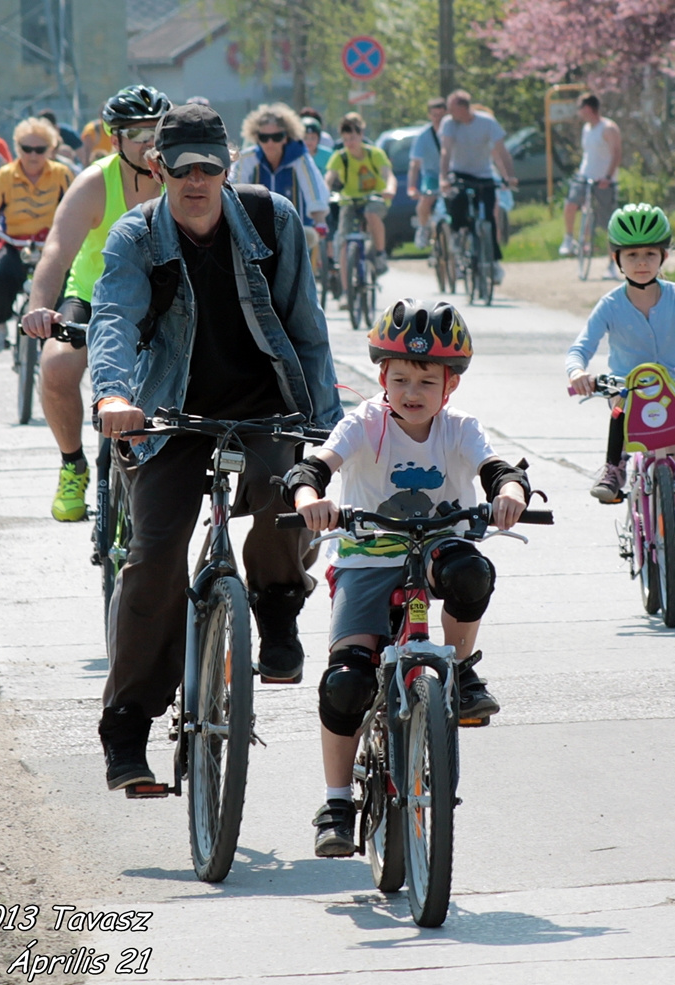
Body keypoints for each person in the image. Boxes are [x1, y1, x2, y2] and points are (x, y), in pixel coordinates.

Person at [87, 102, 342, 791]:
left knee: (290, 499)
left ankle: (278, 604)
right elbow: (112, 315)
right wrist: (112, 394)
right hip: (168, 415)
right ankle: (128, 727)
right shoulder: (135, 235)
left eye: (211, 166)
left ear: (229, 168)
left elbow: (306, 326)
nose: (197, 180)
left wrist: (328, 425)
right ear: (158, 167)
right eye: (184, 168)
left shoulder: (270, 219)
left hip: (265, 408)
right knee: (155, 555)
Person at [287, 298, 532, 857]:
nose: (412, 390)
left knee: (473, 571)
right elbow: (313, 468)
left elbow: (500, 472)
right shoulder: (363, 424)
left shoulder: (460, 429)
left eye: (427, 379)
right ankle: (337, 801)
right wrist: (310, 499)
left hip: (440, 548)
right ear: (382, 378)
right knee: (346, 682)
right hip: (368, 559)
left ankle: (463, 671)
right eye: (400, 378)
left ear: (450, 386)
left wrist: (509, 497)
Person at [20, 85, 171, 523]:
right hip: (92, 296)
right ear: (114, 139)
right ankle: (72, 465)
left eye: (156, 131)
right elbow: (56, 253)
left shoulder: (181, 176)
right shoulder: (94, 183)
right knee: (56, 366)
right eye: (136, 133)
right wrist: (39, 308)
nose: (149, 143)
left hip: (161, 299)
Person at [566, 204, 675, 589]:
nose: (642, 263)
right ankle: (615, 465)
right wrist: (578, 373)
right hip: (628, 390)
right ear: (617, 259)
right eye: (632, 255)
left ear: (664, 257)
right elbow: (581, 347)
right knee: (619, 404)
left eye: (650, 254)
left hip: (673, 391)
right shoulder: (609, 304)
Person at [0, 117, 74, 352]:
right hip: (15, 242)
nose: (33, 155)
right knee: (1, 275)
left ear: (49, 149)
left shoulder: (62, 173)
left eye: (40, 149)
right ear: (18, 148)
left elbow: (77, 206)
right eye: (27, 149)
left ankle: (60, 338)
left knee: (65, 285)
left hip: (52, 244)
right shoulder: (5, 175)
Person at [438, 89, 518, 286]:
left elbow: (502, 150)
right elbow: (446, 150)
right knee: (457, 203)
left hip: (483, 174)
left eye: (453, 109)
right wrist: (443, 177)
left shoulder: (487, 122)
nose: (449, 113)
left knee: (489, 219)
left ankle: (493, 262)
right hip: (460, 173)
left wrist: (510, 177)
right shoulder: (449, 124)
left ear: (464, 108)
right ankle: (457, 238)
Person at [231, 102, 329, 254]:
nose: (270, 142)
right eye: (264, 137)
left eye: (277, 136)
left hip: (296, 231)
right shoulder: (247, 158)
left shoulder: (300, 158)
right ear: (256, 138)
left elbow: (314, 190)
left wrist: (320, 221)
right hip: (257, 233)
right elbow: (232, 189)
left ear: (286, 137)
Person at [325, 112, 395, 291]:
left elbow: (388, 175)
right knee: (343, 241)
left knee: (371, 213)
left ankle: (380, 254)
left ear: (361, 135)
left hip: (375, 198)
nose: (350, 142)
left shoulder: (375, 154)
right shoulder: (340, 156)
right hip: (350, 200)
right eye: (346, 138)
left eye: (353, 138)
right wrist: (324, 193)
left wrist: (389, 189)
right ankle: (347, 291)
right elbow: (329, 178)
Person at [559, 93, 622, 279]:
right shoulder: (586, 129)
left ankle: (612, 264)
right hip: (584, 177)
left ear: (587, 109)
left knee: (608, 224)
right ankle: (569, 238)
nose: (578, 113)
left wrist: (608, 177)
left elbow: (616, 154)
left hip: (604, 181)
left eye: (579, 109)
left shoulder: (609, 128)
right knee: (571, 203)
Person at [407, 97, 448, 248]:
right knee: (425, 199)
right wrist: (411, 188)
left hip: (452, 174)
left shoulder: (454, 131)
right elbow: (415, 164)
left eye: (441, 115)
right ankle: (423, 228)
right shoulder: (423, 136)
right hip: (432, 176)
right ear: (429, 115)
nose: (438, 119)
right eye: (434, 115)